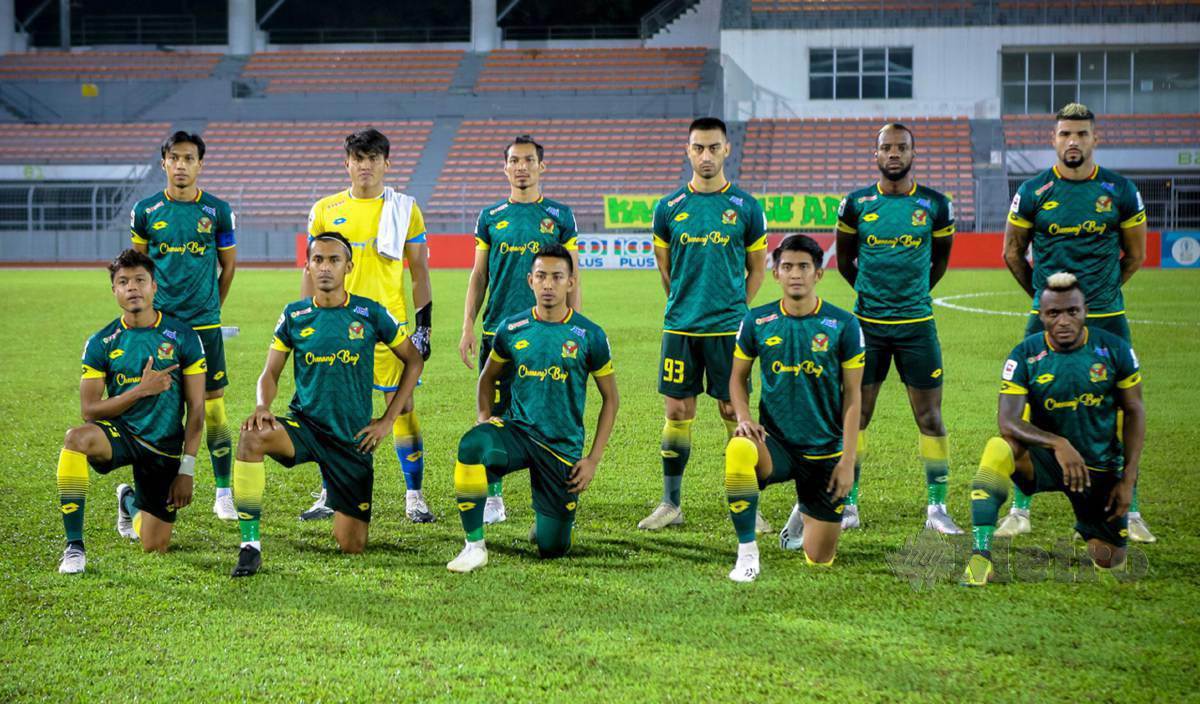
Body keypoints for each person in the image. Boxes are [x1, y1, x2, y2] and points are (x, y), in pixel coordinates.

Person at [1000, 102, 1153, 543]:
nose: (1073, 142)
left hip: (1107, 317)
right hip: (1042, 323)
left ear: (1094, 139)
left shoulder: (1120, 190)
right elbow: (1013, 252)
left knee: (1123, 409)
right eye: (1065, 134)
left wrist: (1097, 297)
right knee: (1028, 407)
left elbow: (1136, 255)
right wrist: (1045, 304)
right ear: (1054, 139)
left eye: (1081, 134)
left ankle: (1132, 508)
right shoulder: (1033, 191)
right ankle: (1020, 508)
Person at [230, 233, 423, 577]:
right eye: (317, 259)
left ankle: (337, 492)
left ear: (348, 267)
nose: (325, 267)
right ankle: (250, 546)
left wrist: (387, 420)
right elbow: (270, 372)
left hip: (352, 440)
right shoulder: (295, 315)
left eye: (334, 260)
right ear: (307, 265)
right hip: (306, 427)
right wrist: (262, 405)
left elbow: (413, 360)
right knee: (251, 438)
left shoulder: (370, 313)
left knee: (352, 545)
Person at [825, 122, 962, 543]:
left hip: (917, 326)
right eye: (887, 147)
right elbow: (846, 261)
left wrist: (912, 295)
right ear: (876, 154)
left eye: (902, 147)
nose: (894, 154)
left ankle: (937, 508)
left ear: (913, 153)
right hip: (867, 326)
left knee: (930, 417)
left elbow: (939, 261)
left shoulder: (936, 205)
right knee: (857, 415)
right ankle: (849, 504)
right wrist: (873, 296)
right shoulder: (856, 204)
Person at [962, 272, 1144, 586]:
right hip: (1046, 461)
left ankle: (1088, 521)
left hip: (1099, 469)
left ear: (1085, 311)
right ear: (1042, 316)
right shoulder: (1025, 355)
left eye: (1072, 311)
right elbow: (1008, 421)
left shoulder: (1115, 350)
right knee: (998, 446)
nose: (1063, 321)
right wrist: (1058, 444)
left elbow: (1134, 412)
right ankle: (981, 555)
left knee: (1109, 561)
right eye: (1053, 313)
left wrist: (1128, 479)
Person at [447, 245, 618, 573]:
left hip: (561, 447)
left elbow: (611, 399)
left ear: (571, 282)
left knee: (552, 547)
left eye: (557, 277)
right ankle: (474, 547)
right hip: (519, 431)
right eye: (541, 276)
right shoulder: (511, 329)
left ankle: (549, 522)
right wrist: (485, 419)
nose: (548, 285)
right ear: (530, 281)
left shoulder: (590, 335)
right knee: (472, 444)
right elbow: (487, 378)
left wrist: (592, 460)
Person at [638, 116, 769, 533]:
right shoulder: (669, 208)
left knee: (735, 411)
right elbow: (666, 270)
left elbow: (756, 269)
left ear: (727, 149)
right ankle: (671, 504)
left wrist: (734, 309)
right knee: (678, 411)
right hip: (681, 328)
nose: (706, 155)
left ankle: (748, 504)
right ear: (688, 151)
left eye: (714, 147)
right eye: (699, 148)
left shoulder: (747, 207)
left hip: (729, 330)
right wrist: (686, 303)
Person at [302, 128, 435, 524]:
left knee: (403, 406)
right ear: (347, 163)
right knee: (333, 411)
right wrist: (305, 316)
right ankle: (330, 492)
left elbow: (420, 272)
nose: (366, 165)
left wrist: (424, 326)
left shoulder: (404, 208)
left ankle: (414, 495)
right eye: (359, 158)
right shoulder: (325, 209)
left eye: (374, 158)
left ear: (386, 164)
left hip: (389, 325)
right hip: (336, 324)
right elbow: (312, 269)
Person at [56, 249, 206, 574]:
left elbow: (196, 410)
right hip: (121, 435)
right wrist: (140, 390)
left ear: (154, 286)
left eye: (140, 280)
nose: (132, 287)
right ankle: (74, 548)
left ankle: (128, 501)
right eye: (123, 282)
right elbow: (89, 410)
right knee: (76, 439)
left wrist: (187, 469)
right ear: (115, 291)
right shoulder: (101, 342)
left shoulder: (183, 337)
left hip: (163, 446)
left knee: (155, 546)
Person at [724, 235, 863, 581]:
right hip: (777, 445)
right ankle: (747, 554)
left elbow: (853, 397)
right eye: (787, 266)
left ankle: (804, 509)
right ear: (775, 273)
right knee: (739, 448)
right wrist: (744, 418)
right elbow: (737, 378)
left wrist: (847, 462)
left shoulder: (844, 325)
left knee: (819, 560)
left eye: (804, 266)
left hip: (825, 453)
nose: (795, 274)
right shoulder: (756, 321)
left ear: (819, 273)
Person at [459, 134, 580, 526]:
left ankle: (546, 488)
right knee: (494, 416)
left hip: (547, 332)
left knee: (545, 412)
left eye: (529, 160)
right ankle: (493, 496)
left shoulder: (560, 216)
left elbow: (573, 275)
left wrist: (572, 326)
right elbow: (479, 275)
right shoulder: (490, 216)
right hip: (499, 331)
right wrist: (467, 326)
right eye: (515, 160)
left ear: (542, 166)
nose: (522, 167)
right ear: (505, 167)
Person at [130, 130, 237, 520]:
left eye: (189, 158)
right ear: (163, 163)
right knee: (158, 408)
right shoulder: (145, 211)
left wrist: (212, 308)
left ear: (200, 165)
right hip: (160, 327)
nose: (181, 165)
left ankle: (223, 491)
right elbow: (135, 268)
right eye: (174, 158)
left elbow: (228, 267)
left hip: (205, 326)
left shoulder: (217, 211)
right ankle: (146, 486)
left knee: (213, 408)